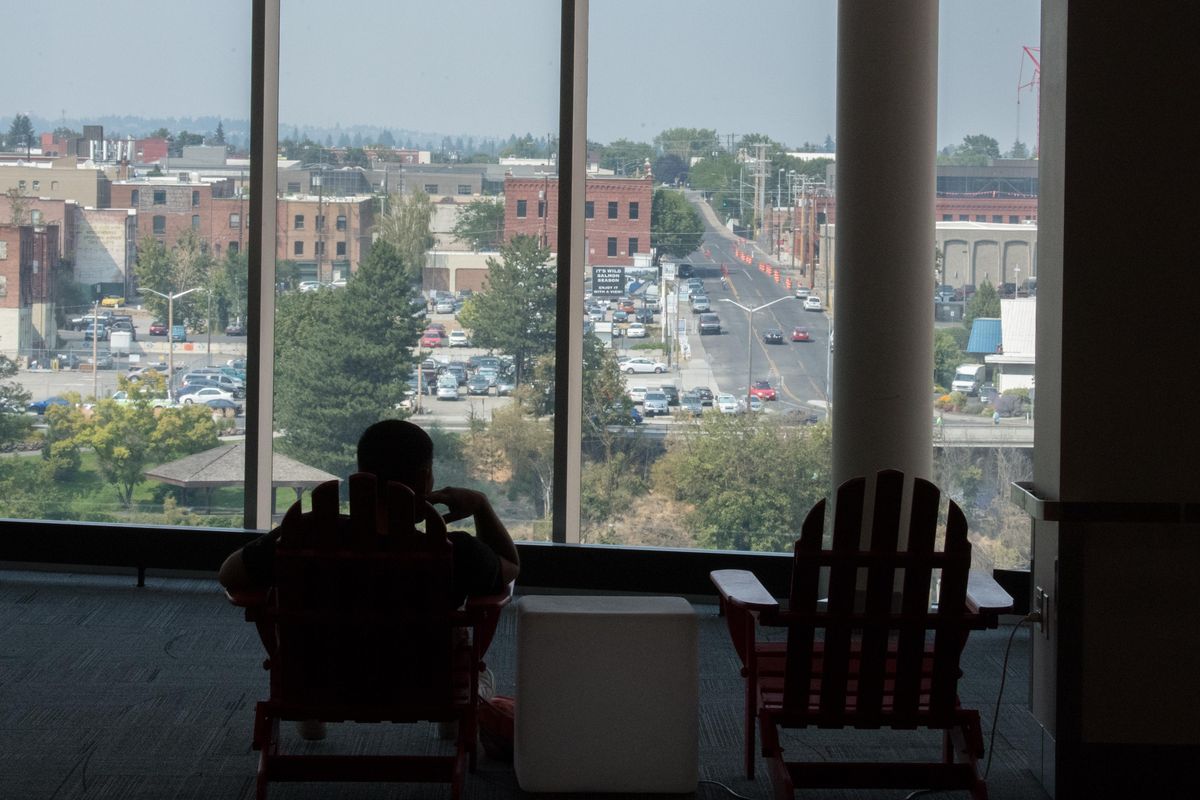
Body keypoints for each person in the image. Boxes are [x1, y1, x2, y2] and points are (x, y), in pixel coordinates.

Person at [219, 419, 520, 738]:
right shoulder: (455, 553)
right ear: (424, 477)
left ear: (360, 475)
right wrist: (481, 506)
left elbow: (229, 574)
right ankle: (455, 710)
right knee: (471, 615)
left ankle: (311, 705)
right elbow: (510, 569)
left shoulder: (299, 543)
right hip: (424, 679)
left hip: (318, 676)